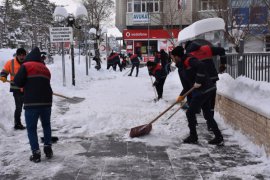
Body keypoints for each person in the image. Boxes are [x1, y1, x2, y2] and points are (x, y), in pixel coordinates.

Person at [171, 46, 223, 145]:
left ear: (177, 56)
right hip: (202, 90)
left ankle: (193, 136)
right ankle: (218, 136)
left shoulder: (188, 60)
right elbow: (186, 86)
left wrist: (198, 81)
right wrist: (181, 96)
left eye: (172, 57)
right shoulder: (181, 68)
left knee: (190, 113)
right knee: (207, 114)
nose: (172, 59)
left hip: (204, 89)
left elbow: (201, 66)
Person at [14, 47, 53, 163]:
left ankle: (36, 153)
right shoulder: (45, 68)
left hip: (32, 103)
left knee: (31, 128)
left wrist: (25, 84)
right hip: (47, 102)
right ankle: (48, 149)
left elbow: (17, 82)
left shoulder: (26, 66)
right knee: (46, 125)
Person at [185, 40, 227, 130]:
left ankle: (194, 120)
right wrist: (223, 63)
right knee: (211, 101)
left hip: (201, 81)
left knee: (200, 101)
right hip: (212, 78)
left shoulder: (189, 56)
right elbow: (222, 50)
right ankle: (210, 123)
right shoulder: (207, 48)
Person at [0, 48, 27, 130]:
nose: (22, 57)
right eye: (20, 55)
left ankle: (31, 122)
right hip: (16, 88)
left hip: (27, 88)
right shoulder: (10, 63)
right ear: (17, 55)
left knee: (29, 107)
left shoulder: (28, 63)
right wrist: (3, 76)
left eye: (23, 55)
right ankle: (17, 123)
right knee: (18, 107)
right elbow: (4, 71)